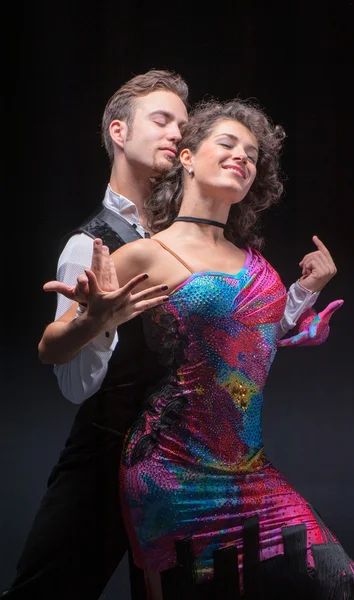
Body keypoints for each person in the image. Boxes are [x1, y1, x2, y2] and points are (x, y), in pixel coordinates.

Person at [93, 99, 354, 599]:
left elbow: (253, 340)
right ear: (187, 158)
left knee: (345, 587)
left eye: (252, 154)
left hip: (248, 470)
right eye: (227, 144)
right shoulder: (145, 252)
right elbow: (61, 345)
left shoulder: (257, 264)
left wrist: (305, 306)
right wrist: (94, 315)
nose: (243, 157)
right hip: (171, 468)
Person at [2, 69, 189, 600]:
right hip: (103, 463)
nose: (177, 132)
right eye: (161, 119)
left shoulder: (183, 237)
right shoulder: (89, 246)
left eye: (183, 123)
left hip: (175, 463)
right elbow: (74, 387)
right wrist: (96, 321)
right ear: (119, 132)